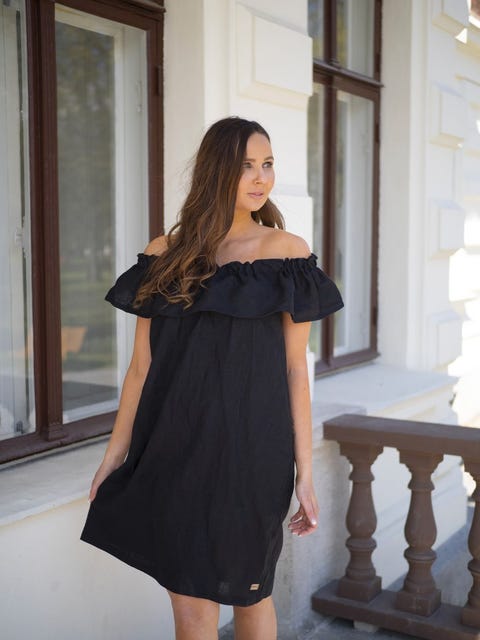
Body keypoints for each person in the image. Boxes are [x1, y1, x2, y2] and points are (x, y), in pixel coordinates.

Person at [81, 116, 343, 640]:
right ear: (216, 170)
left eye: (267, 164)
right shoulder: (165, 254)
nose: (261, 177)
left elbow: (295, 370)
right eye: (247, 165)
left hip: (252, 456)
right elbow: (141, 368)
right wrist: (115, 453)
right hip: (172, 450)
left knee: (250, 593)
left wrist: (305, 473)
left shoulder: (286, 255)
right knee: (192, 611)